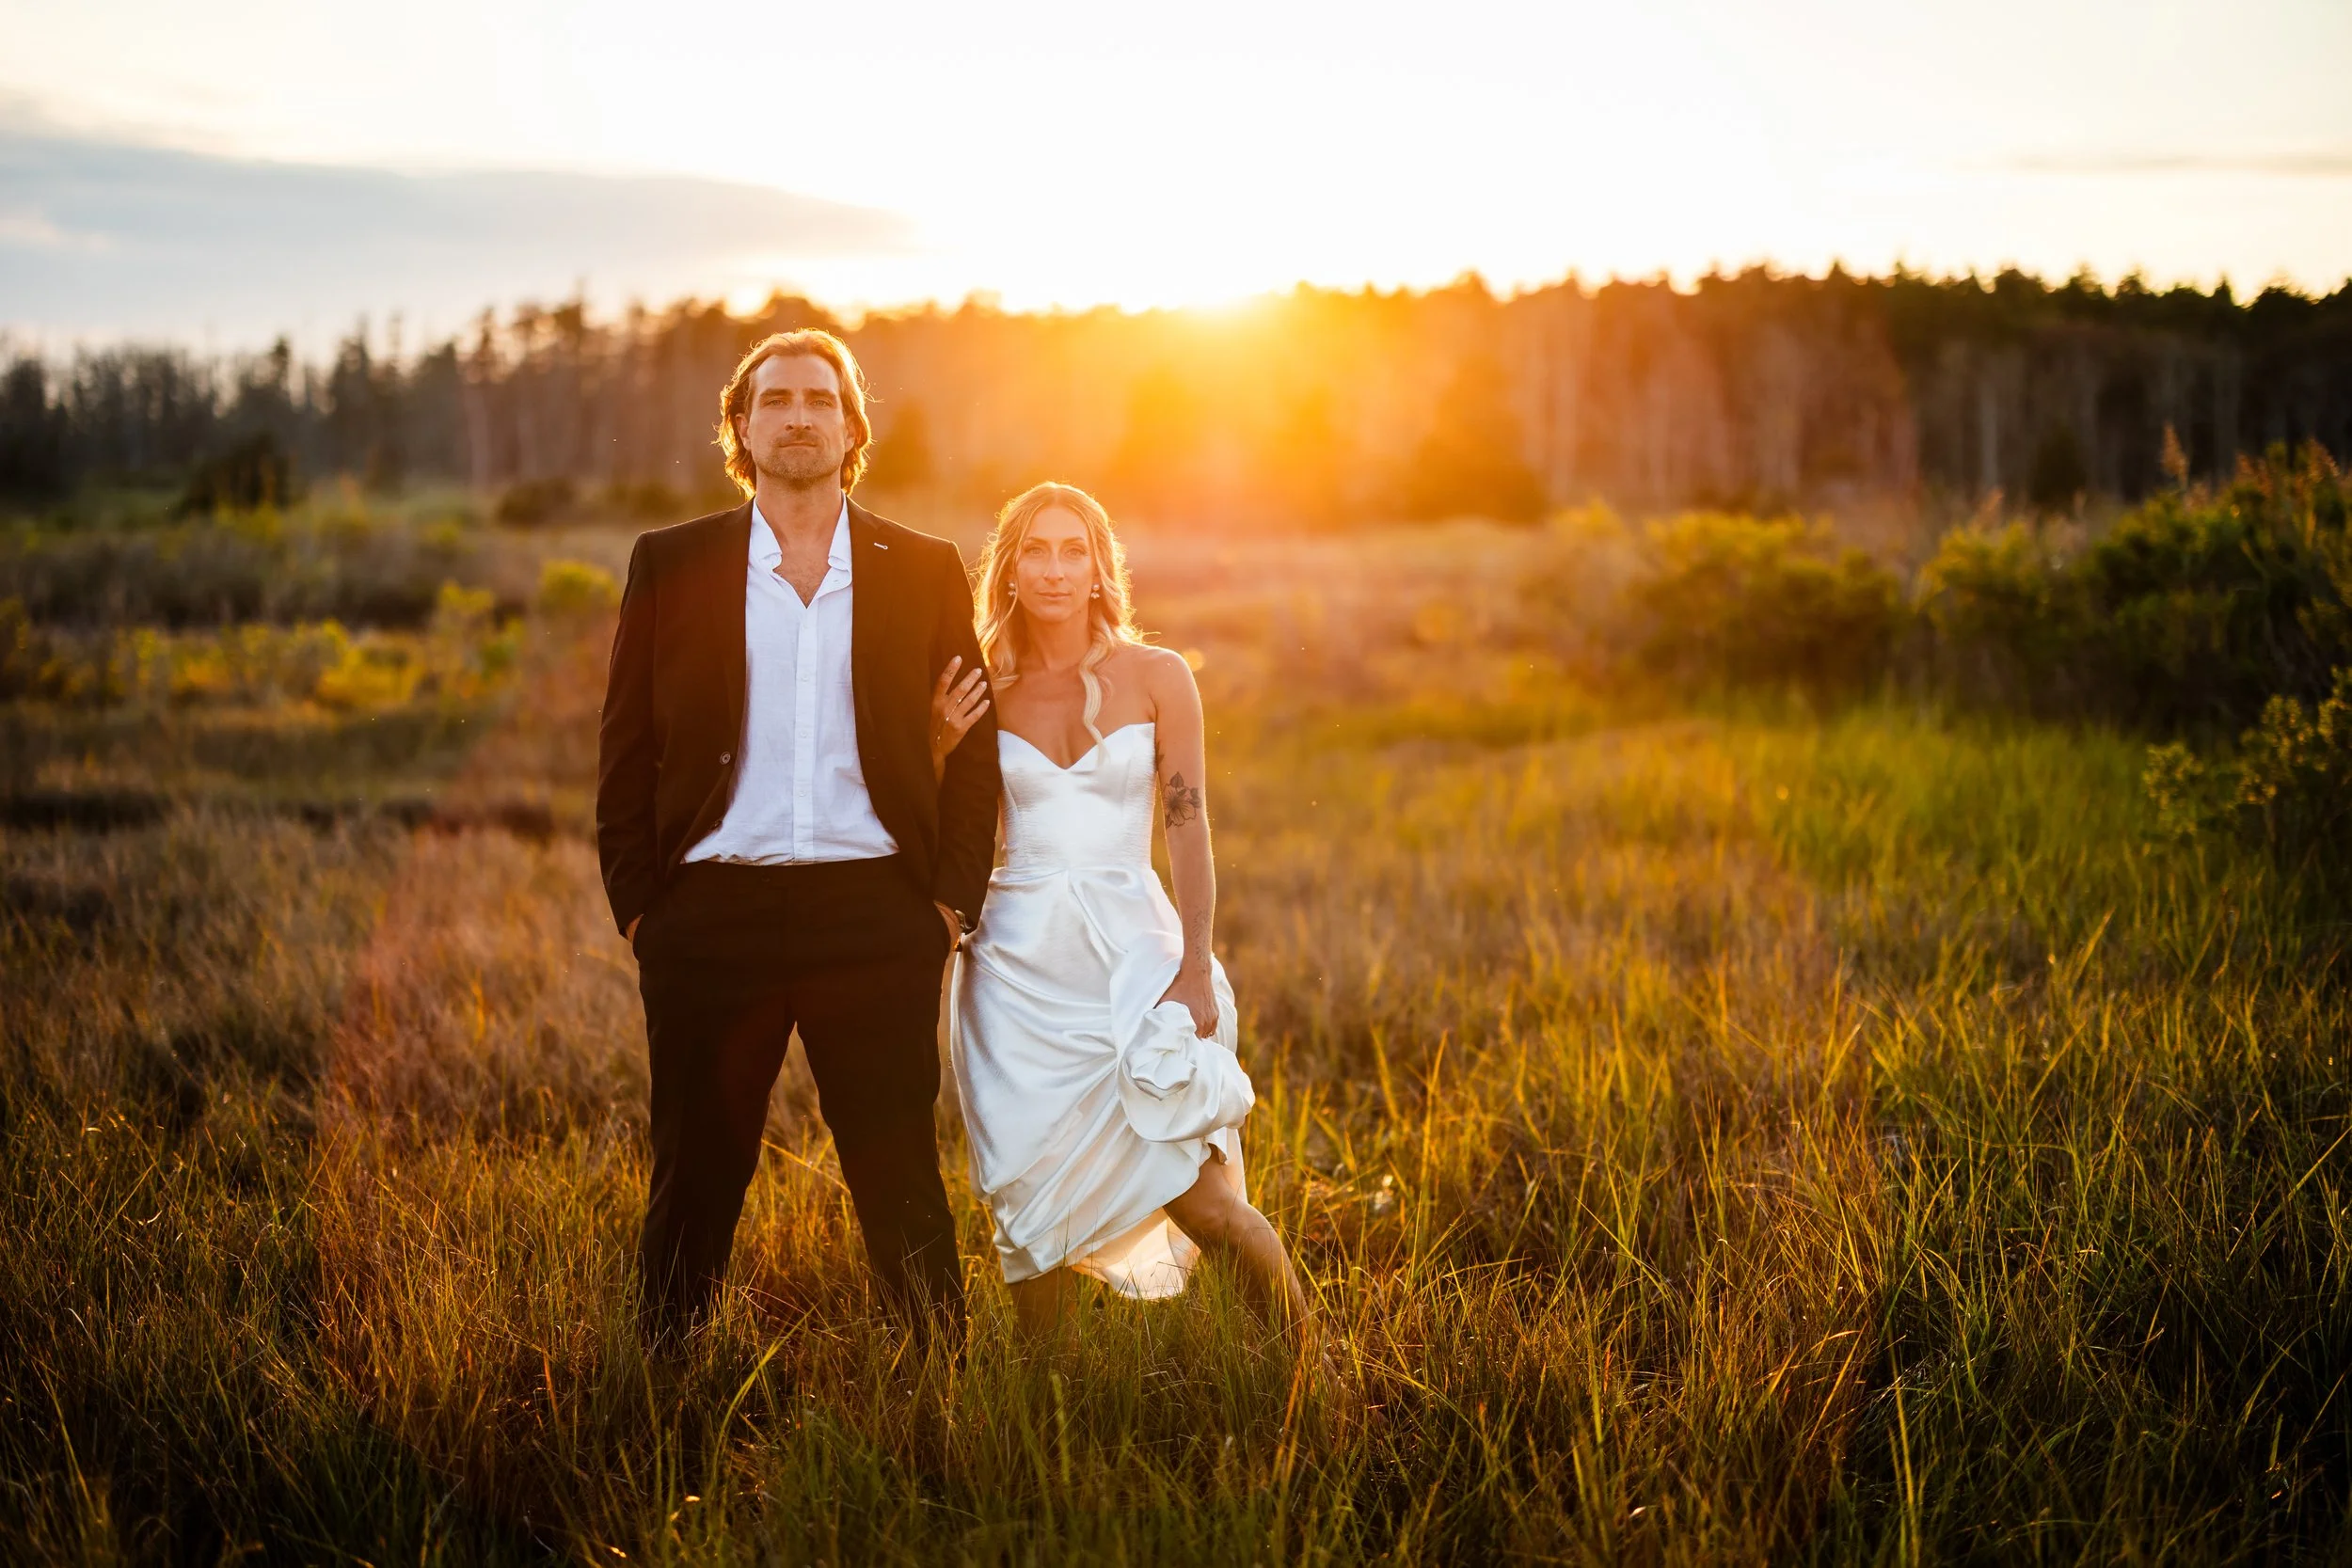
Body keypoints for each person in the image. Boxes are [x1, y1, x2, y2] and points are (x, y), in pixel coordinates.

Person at [596, 329, 1000, 1348]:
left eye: (821, 398)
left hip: (875, 911)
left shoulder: (924, 568)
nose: (799, 415)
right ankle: (663, 1377)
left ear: (853, 425)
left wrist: (948, 904)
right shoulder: (673, 562)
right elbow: (623, 750)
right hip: (709, 912)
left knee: (897, 1166)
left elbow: (977, 749)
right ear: (741, 425)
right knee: (696, 1169)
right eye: (774, 399)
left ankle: (940, 1390)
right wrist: (644, 909)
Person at [933, 481, 1311, 1341]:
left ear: (1102, 568)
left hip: (1133, 958)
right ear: (1011, 567)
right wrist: (933, 746)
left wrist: (1194, 963)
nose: (1058, 570)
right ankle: (1050, 1431)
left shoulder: (1158, 676)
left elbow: (1187, 823)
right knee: (1031, 1221)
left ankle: (1313, 1375)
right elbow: (941, 832)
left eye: (1076, 551)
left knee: (1208, 1203)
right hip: (1015, 973)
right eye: (1037, 549)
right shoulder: (983, 687)